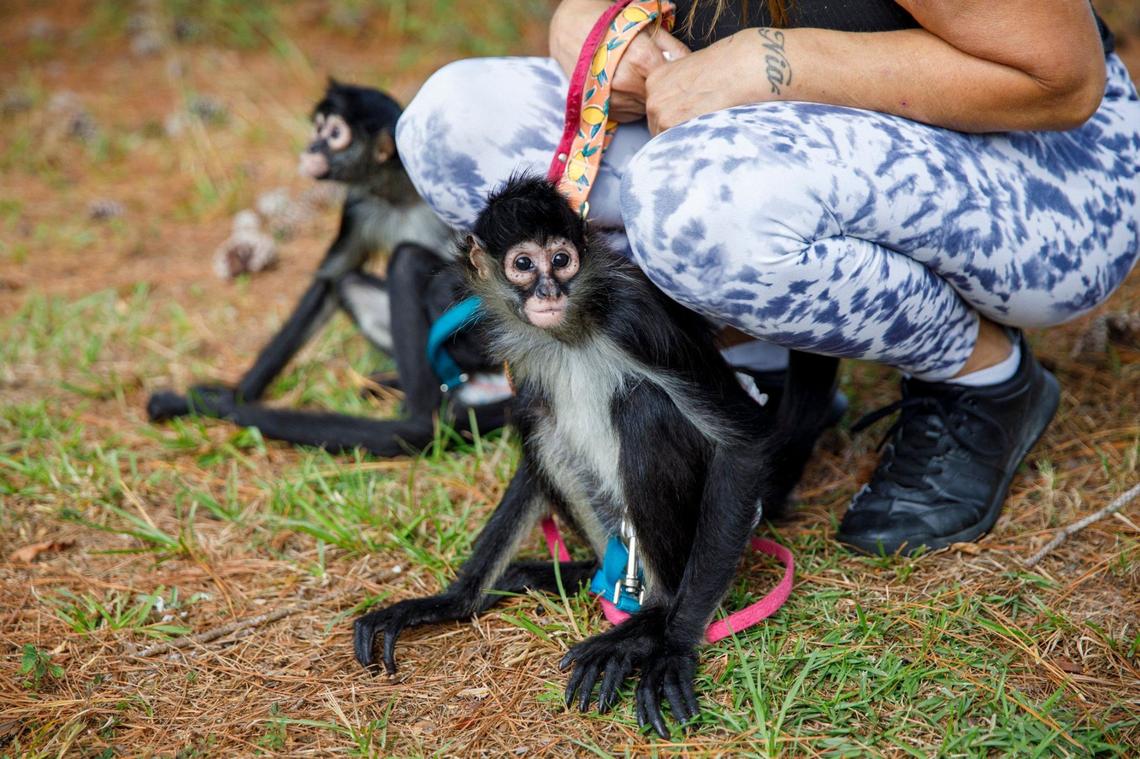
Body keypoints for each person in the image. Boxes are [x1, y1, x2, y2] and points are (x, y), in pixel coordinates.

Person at [394, 0, 1140, 554]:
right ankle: (738, 364)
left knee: (692, 202)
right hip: (735, 126)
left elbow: (1059, 82)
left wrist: (774, 64)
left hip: (1048, 166)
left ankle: (981, 377)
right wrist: (589, 26)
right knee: (451, 123)